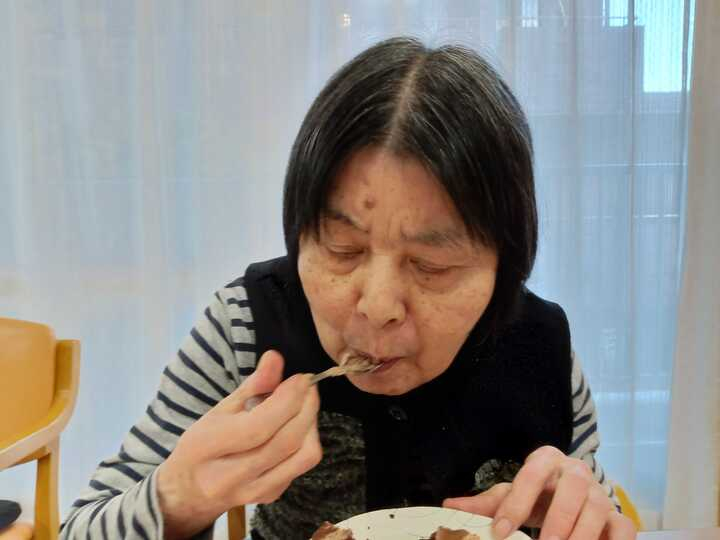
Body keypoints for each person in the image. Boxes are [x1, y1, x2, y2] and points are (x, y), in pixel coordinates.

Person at [60, 37, 636, 540]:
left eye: (431, 265)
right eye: (342, 249)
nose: (378, 306)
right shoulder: (247, 325)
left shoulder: (540, 345)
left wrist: (586, 517)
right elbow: (80, 527)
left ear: (503, 267)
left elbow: (596, 512)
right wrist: (177, 498)